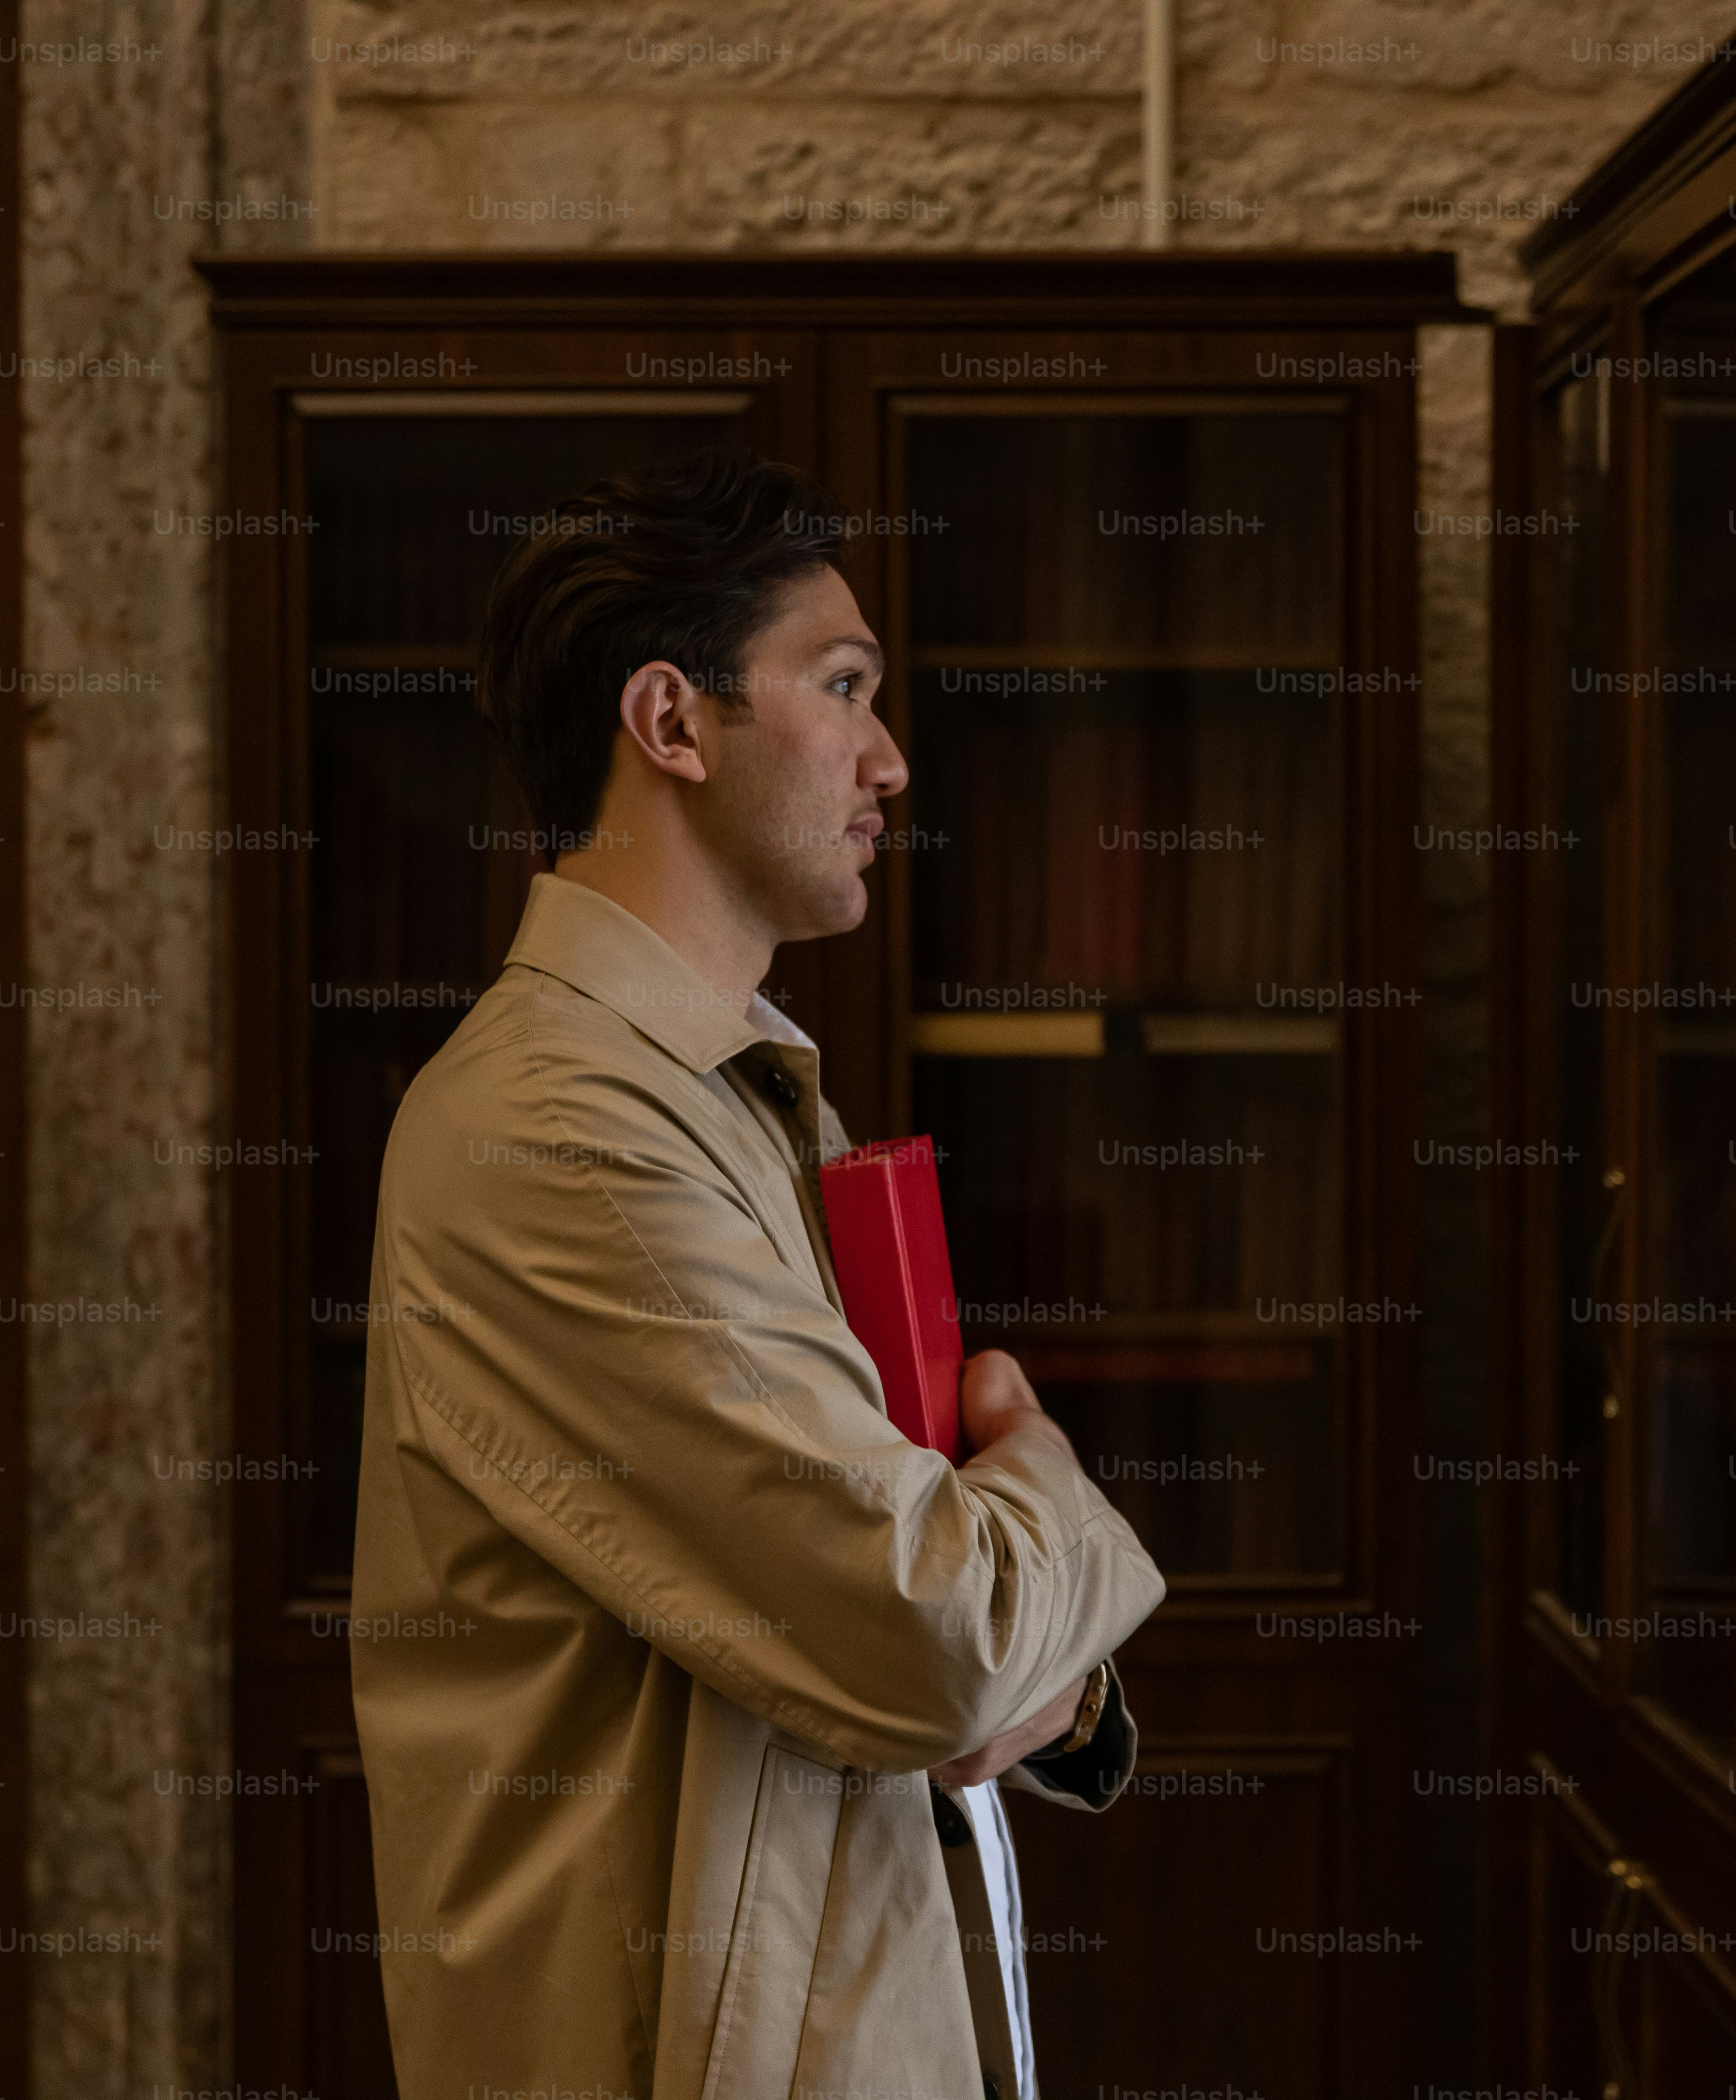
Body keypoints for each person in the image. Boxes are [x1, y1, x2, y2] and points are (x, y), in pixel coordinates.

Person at [350, 446, 1166, 2100]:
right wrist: (1046, 1480)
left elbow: (922, 1642)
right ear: (673, 722)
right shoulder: (565, 1133)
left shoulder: (734, 1092)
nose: (891, 761)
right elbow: (931, 1629)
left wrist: (1047, 1681)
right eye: (845, 687)